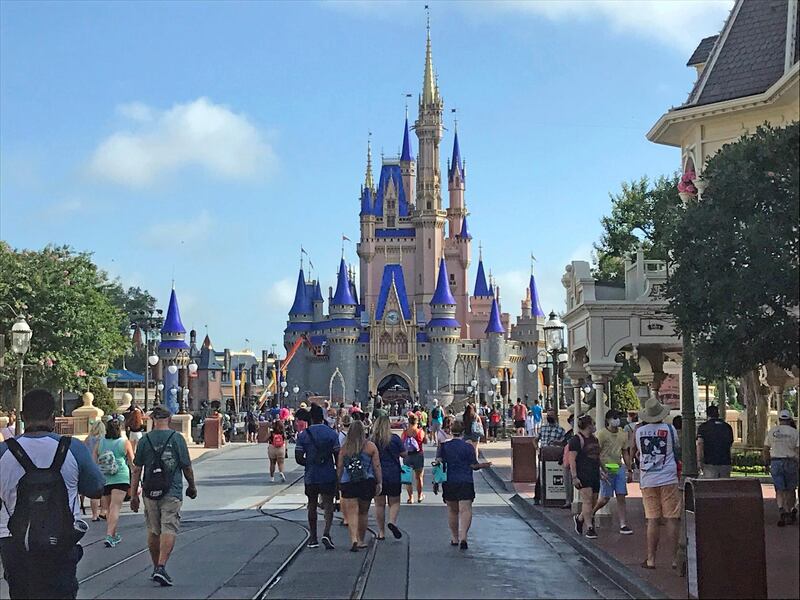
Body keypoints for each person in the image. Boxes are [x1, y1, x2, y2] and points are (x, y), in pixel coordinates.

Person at [0, 389, 104, 599]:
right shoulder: (72, 448)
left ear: (22, 416)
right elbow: (96, 488)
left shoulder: (3, 452)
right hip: (61, 540)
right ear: (53, 417)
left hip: (14, 541)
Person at [130, 405, 197, 586]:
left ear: (153, 419)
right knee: (169, 526)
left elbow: (136, 469)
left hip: (149, 490)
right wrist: (192, 486)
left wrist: (133, 494)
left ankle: (156, 567)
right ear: (169, 419)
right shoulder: (177, 439)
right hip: (171, 489)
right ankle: (161, 566)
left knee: (153, 529)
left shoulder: (145, 440)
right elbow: (186, 466)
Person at [635, 396, 680, 570]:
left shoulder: (639, 432)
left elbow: (639, 452)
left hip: (648, 479)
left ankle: (651, 559)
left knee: (652, 519)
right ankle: (675, 559)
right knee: (672, 518)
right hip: (668, 477)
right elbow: (676, 448)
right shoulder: (670, 429)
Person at [438, 420, 492, 550]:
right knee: (465, 509)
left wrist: (436, 481)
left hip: (449, 481)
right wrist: (484, 465)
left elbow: (438, 463)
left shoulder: (443, 447)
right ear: (463, 432)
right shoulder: (468, 447)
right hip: (465, 480)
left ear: (451, 431)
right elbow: (473, 465)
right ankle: (464, 537)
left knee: (452, 510)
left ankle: (454, 537)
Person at [295, 404, 340, 550]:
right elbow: (338, 456)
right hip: (327, 474)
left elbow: (298, 457)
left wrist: (310, 462)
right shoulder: (332, 434)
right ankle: (326, 532)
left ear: (311, 418)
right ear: (323, 418)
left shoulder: (304, 435)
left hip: (311, 475)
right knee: (328, 505)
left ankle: (313, 538)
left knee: (312, 505)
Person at [337, 420, 382, 552]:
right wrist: (379, 482)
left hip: (348, 483)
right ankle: (361, 540)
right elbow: (377, 466)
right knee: (363, 513)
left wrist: (338, 481)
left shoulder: (344, 448)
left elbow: (340, 467)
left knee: (351, 513)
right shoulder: (370, 447)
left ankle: (353, 539)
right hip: (366, 482)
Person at [94, 415, 134, 547]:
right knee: (115, 507)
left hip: (105, 477)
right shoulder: (124, 442)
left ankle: (113, 534)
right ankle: (110, 535)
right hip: (120, 476)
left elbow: (94, 460)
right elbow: (132, 462)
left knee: (108, 508)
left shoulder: (100, 443)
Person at [591, 410, 633, 535]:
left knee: (621, 495)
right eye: (614, 418)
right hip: (606, 467)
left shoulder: (623, 434)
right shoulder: (602, 434)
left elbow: (625, 451)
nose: (617, 420)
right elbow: (596, 452)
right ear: (608, 420)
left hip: (618, 466)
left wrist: (629, 469)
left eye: (618, 417)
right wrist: (599, 469)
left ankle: (623, 524)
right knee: (605, 498)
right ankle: (591, 513)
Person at [370, 416, 405, 540]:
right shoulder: (394, 438)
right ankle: (392, 521)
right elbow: (404, 453)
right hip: (393, 473)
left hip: (377, 474)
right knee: (394, 502)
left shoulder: (372, 440)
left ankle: (381, 532)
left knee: (379, 504)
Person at [764, 408, 799, 526]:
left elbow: (766, 448)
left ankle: (781, 508)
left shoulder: (772, 431)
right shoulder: (795, 432)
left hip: (775, 462)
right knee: (790, 488)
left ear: (779, 419)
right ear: (789, 419)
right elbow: (798, 450)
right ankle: (789, 510)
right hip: (790, 461)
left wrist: (766, 462)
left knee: (779, 489)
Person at [569, 414, 601, 539]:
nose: (594, 426)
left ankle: (580, 518)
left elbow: (598, 457)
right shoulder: (576, 440)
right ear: (588, 425)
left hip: (594, 473)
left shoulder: (594, 439)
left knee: (594, 501)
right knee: (587, 501)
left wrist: (602, 470)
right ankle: (589, 527)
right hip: (583, 473)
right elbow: (572, 459)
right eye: (593, 423)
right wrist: (574, 476)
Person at [533, 409, 565, 504]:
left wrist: (557, 443)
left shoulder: (560, 430)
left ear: (555, 416)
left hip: (554, 457)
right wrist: (537, 449)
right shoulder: (543, 428)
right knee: (540, 477)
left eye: (551, 415)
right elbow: (535, 440)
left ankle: (553, 498)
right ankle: (537, 498)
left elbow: (564, 443)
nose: (549, 417)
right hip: (543, 455)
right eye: (548, 415)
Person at [697, 405, 734, 479]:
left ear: (707, 414)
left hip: (709, 462)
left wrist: (699, 461)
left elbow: (700, 444)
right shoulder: (727, 427)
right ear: (718, 414)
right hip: (725, 462)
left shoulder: (703, 427)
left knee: (711, 487)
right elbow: (730, 444)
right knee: (724, 487)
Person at [84, 418, 107, 521]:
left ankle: (94, 515)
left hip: (91, 466)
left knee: (94, 493)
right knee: (103, 492)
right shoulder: (103, 439)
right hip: (101, 466)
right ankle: (103, 511)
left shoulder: (88, 439)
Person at [401, 414, 426, 503]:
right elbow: (425, 441)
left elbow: (402, 442)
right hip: (418, 455)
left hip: (407, 455)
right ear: (417, 422)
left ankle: (410, 498)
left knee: (408, 478)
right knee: (419, 477)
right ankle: (419, 496)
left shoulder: (405, 432)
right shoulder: (420, 431)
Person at [560, 414, 575, 509]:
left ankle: (575, 501)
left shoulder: (581, 434)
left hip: (578, 461)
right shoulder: (568, 434)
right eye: (572, 421)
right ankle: (568, 501)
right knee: (567, 482)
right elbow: (563, 445)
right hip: (567, 461)